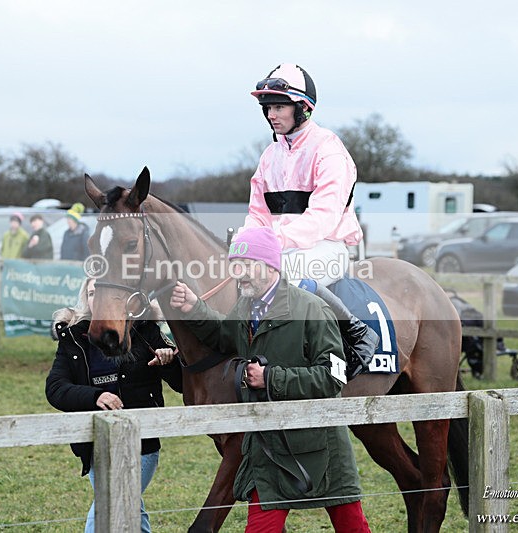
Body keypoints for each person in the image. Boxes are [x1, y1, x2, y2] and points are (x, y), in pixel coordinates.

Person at [170, 227, 371, 533]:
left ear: (270, 265)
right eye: (235, 266)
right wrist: (194, 308)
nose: (239, 274)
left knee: (353, 529)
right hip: (267, 449)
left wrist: (271, 378)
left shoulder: (313, 309)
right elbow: (225, 336)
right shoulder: (246, 308)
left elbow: (334, 376)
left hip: (321, 449)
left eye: (247, 265)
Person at [242, 63, 377, 377]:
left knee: (281, 275)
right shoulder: (269, 156)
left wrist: (272, 243)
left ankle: (357, 334)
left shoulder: (329, 150)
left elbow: (322, 218)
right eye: (267, 108)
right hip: (280, 249)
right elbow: (257, 214)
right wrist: (248, 244)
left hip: (328, 246)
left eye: (278, 107)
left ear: (302, 108)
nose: (271, 115)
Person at [46, 277, 183, 533]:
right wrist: (95, 396)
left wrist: (170, 362)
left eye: (104, 292)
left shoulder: (145, 331)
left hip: (140, 444)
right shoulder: (74, 340)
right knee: (129, 507)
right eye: (91, 293)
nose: (98, 299)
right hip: (95, 444)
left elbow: (183, 385)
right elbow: (55, 390)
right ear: (85, 300)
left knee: (108, 505)